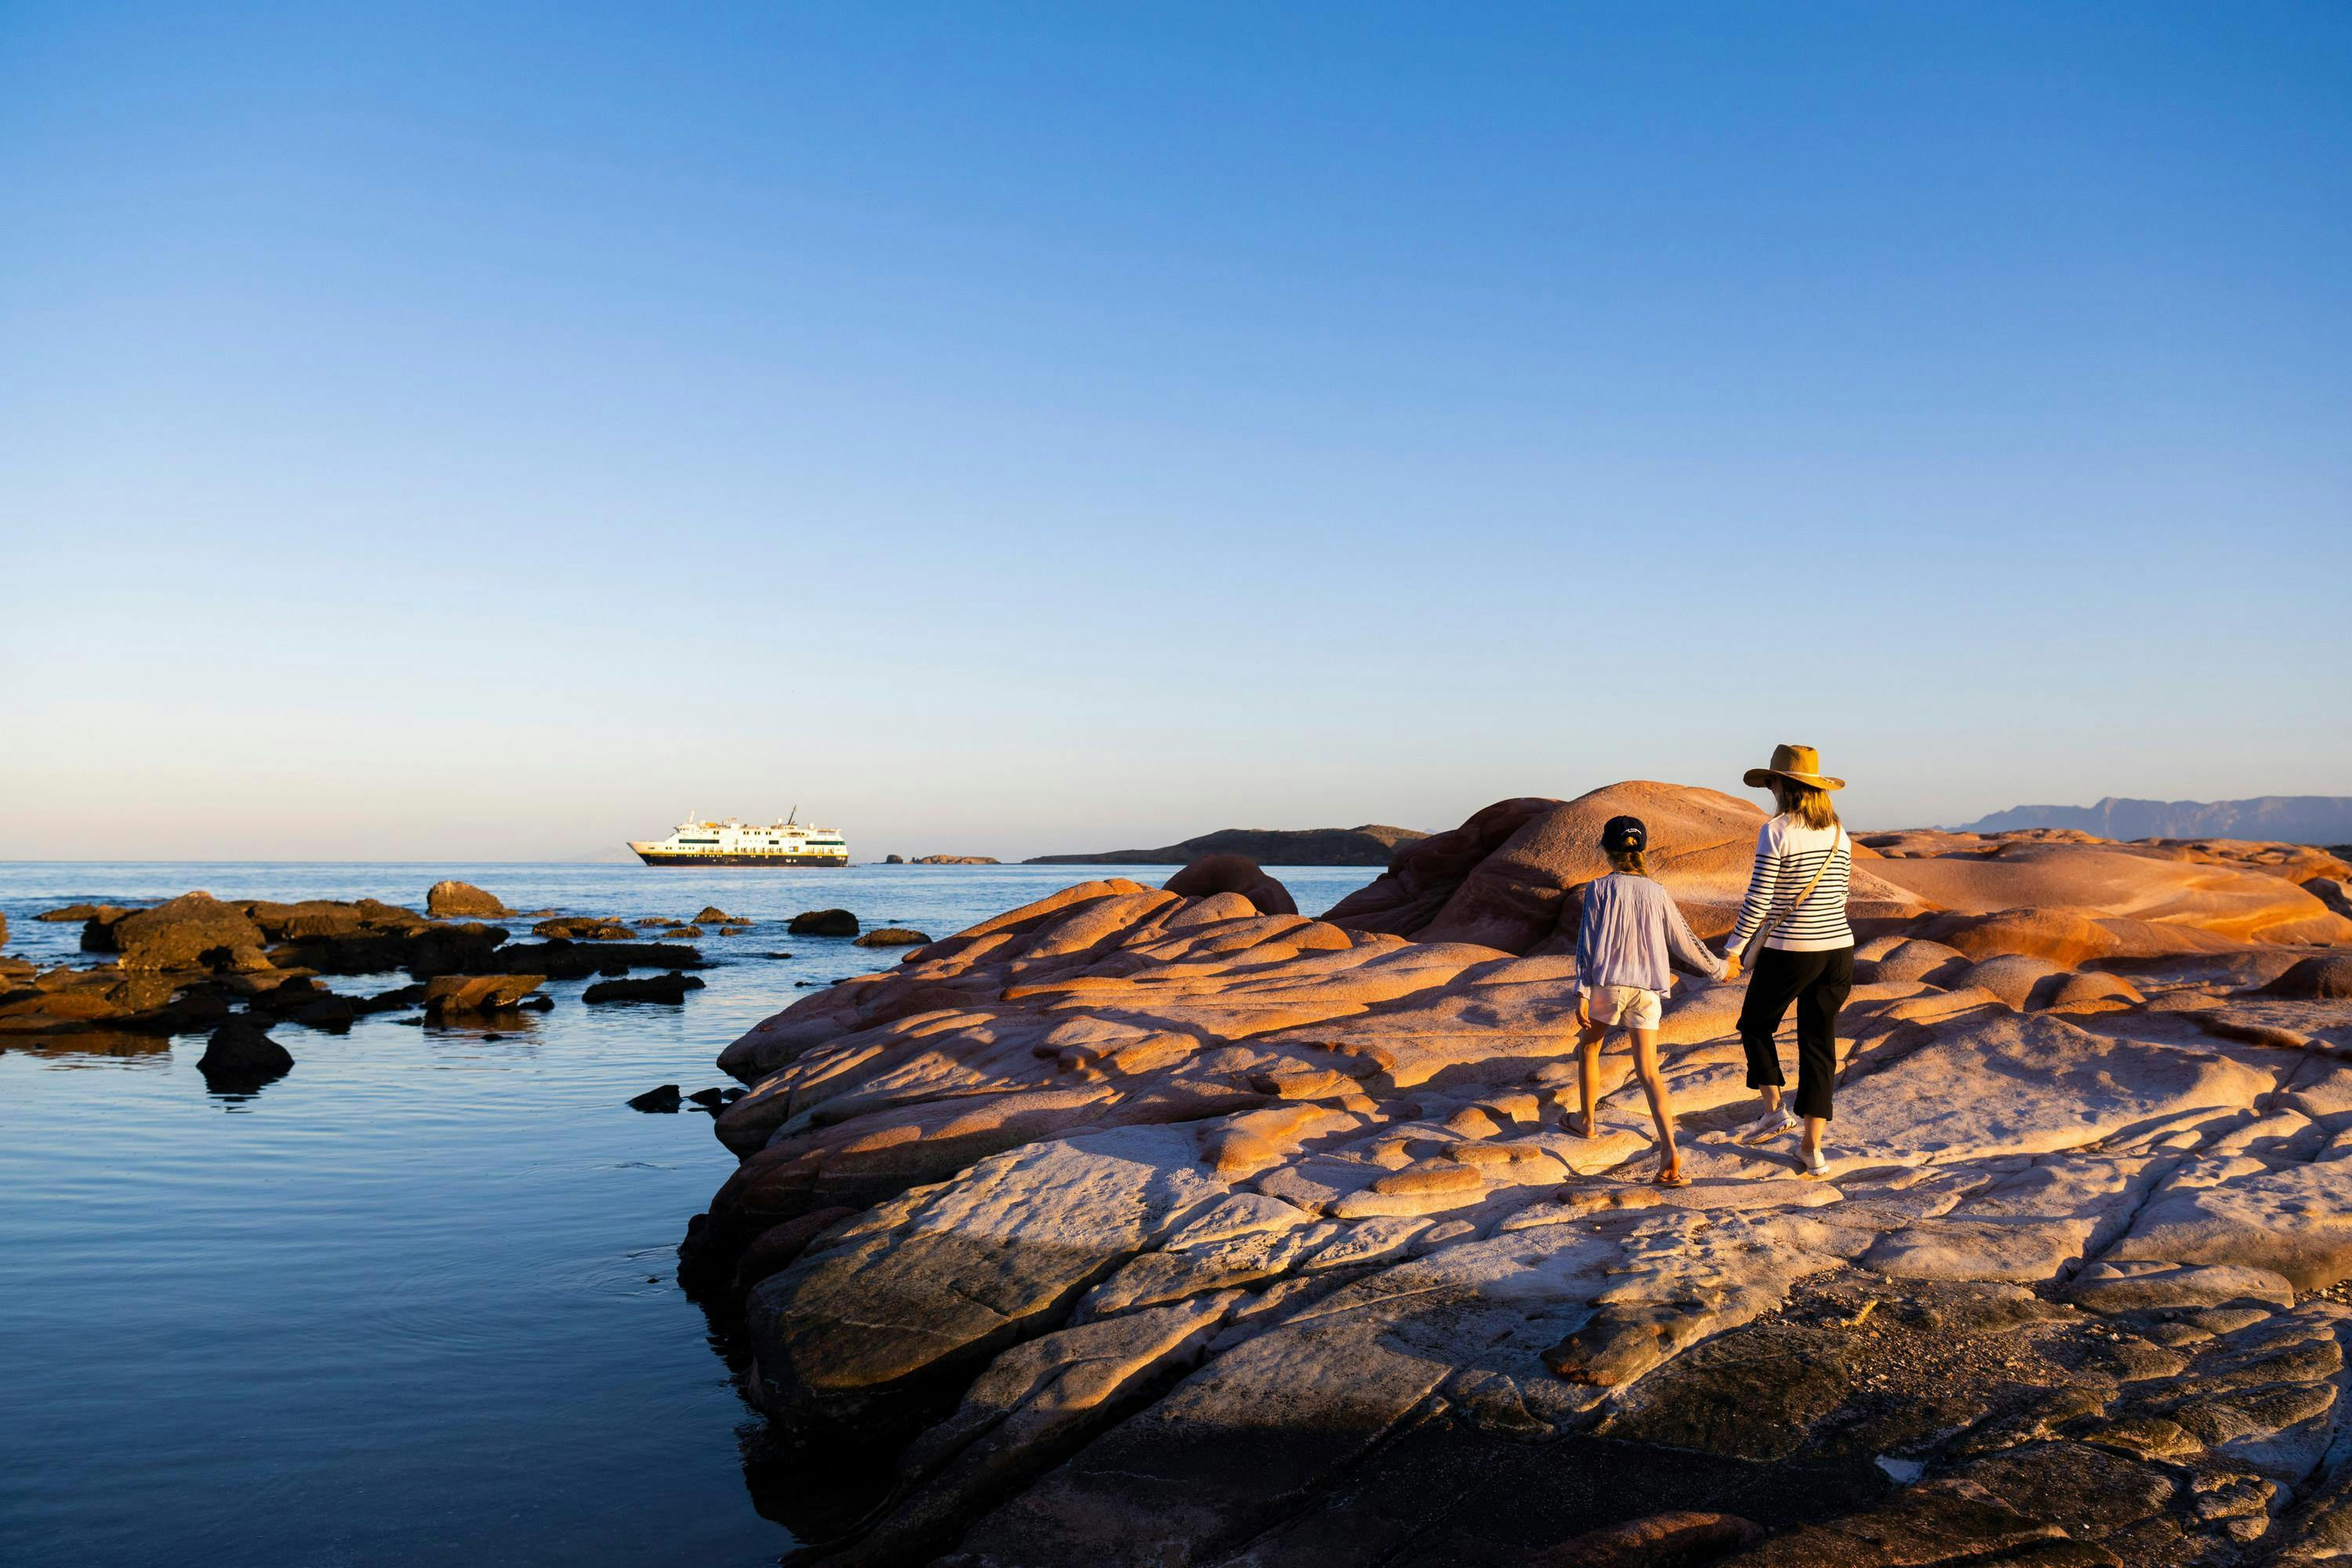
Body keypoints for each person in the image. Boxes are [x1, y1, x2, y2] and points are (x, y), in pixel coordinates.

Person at [1572, 814, 1730, 1187]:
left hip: (1607, 983)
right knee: (1649, 1072)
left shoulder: (1598, 889)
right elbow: (1684, 940)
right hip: (1647, 989)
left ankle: (1588, 1123)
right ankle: (1669, 1149)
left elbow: (1587, 945)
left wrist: (1581, 990)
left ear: (1606, 851)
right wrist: (1720, 969)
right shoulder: (1657, 892)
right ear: (1642, 850)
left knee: (1590, 1048)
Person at [1721, 743, 1855, 1177]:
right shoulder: (1839, 832)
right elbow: (1841, 895)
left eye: (1771, 781)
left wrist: (1734, 949)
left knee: (1756, 1024)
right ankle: (1812, 1150)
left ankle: (1775, 1110)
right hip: (1838, 949)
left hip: (1793, 948)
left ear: (1783, 784)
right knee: (1820, 1043)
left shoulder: (1776, 830)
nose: (1770, 789)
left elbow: (1759, 900)